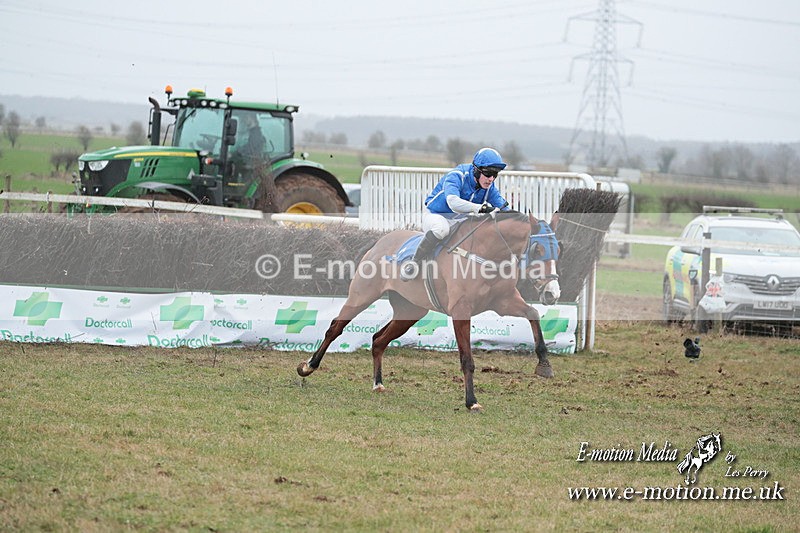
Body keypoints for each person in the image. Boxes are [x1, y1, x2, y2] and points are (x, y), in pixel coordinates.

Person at [400, 147, 511, 281]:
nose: (491, 179)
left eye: (495, 175)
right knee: (441, 229)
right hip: (437, 215)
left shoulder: (490, 187)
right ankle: (414, 262)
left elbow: (505, 208)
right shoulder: (457, 175)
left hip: (460, 220)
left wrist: (520, 219)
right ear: (476, 170)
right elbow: (453, 202)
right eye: (488, 174)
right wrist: (481, 209)